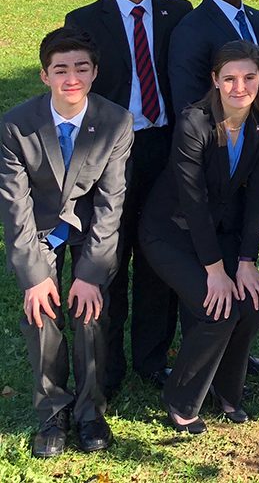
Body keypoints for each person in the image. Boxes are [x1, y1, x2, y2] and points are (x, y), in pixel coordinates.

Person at [65, 0, 192, 397]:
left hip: (165, 147)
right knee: (109, 255)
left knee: (160, 254)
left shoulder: (178, 13)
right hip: (109, 152)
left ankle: (153, 358)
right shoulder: (83, 20)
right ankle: (107, 367)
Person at [0, 28, 134, 456]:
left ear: (94, 72)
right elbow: (14, 208)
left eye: (80, 68)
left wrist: (91, 274)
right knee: (41, 313)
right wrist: (35, 276)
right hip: (39, 226)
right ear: (44, 76)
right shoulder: (16, 125)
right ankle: (52, 410)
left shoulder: (116, 121)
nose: (71, 77)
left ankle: (91, 410)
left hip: (90, 223)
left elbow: (111, 204)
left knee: (91, 309)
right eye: (60, 69)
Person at [139, 41, 259, 433]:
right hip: (170, 232)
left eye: (249, 77)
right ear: (215, 80)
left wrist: (247, 262)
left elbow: (256, 198)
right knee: (218, 310)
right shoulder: (193, 122)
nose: (240, 86)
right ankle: (180, 397)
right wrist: (216, 270)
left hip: (220, 233)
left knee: (250, 303)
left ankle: (227, 389)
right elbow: (193, 201)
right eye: (230, 78)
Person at [167, 0, 259, 378]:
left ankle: (236, 354)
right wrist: (217, 150)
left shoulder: (258, 19)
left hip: (252, 149)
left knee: (236, 249)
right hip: (211, 156)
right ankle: (204, 356)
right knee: (205, 259)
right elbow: (186, 99)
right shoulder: (193, 28)